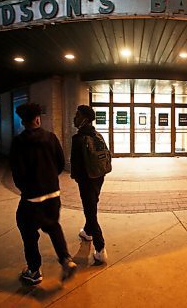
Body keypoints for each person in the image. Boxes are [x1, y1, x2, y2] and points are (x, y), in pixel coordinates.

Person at [10, 102, 77, 285]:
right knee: (53, 225)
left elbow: (17, 171)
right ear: (38, 118)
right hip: (53, 194)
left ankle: (33, 270)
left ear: (23, 121)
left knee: (28, 231)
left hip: (32, 198)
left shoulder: (19, 142)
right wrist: (48, 179)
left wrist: (27, 188)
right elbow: (60, 163)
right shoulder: (51, 138)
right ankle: (65, 260)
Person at [71, 105, 108, 264]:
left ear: (85, 119)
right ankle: (87, 231)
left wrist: (77, 178)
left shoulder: (78, 139)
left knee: (90, 211)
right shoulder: (97, 135)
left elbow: (76, 164)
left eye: (77, 115)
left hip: (86, 179)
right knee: (92, 204)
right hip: (99, 176)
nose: (75, 118)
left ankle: (100, 249)